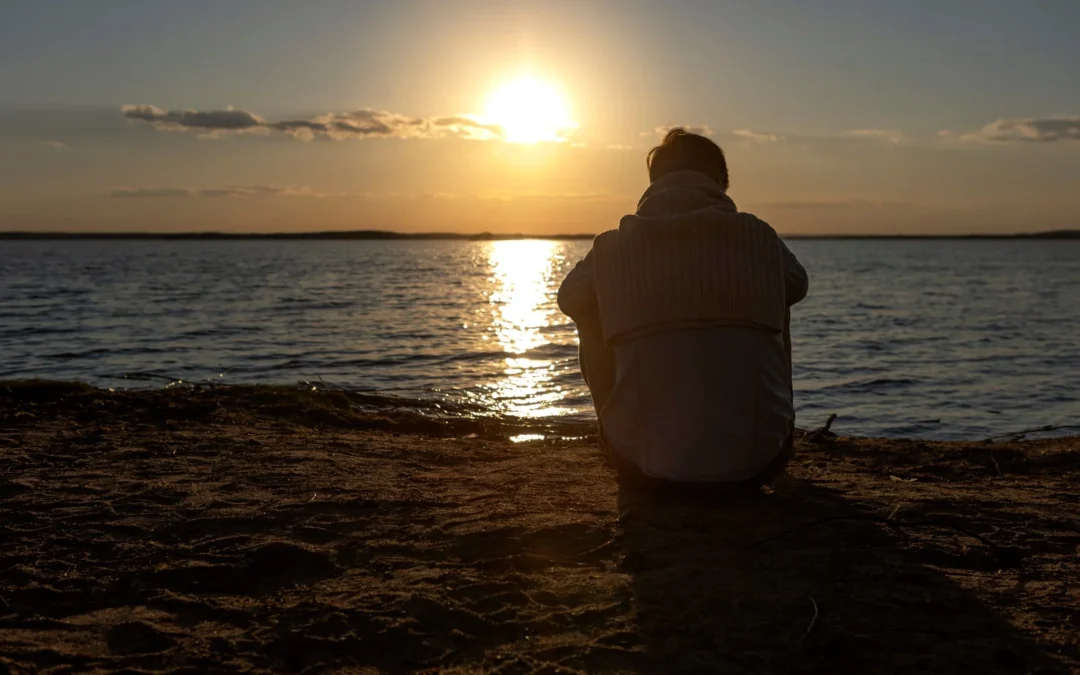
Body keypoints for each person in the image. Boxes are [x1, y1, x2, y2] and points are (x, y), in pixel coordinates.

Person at [557, 128, 808, 493]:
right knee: (777, 294)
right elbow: (797, 285)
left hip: (643, 468)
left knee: (587, 307)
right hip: (761, 465)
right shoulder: (759, 236)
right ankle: (759, 429)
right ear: (721, 181)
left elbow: (568, 298)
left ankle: (621, 431)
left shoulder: (613, 247)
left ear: (653, 182)